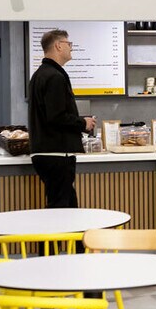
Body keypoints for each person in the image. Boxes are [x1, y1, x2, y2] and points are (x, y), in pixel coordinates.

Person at [28, 29, 96, 209]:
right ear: (58, 46)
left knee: (67, 207)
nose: (71, 48)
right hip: (57, 153)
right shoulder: (54, 77)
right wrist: (83, 123)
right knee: (60, 209)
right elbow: (57, 116)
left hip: (47, 152)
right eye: (68, 44)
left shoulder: (39, 75)